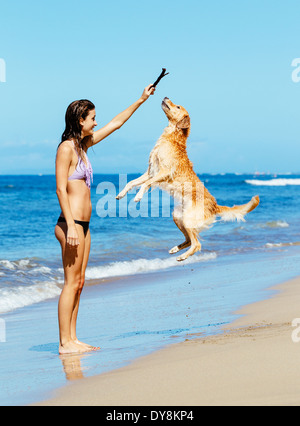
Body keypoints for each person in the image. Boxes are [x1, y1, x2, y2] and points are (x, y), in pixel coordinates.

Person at [55, 84, 155, 354]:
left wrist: (141, 100)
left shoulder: (83, 145)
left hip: (84, 226)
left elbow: (116, 124)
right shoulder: (66, 148)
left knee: (80, 282)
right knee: (70, 283)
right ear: (80, 120)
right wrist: (73, 225)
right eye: (92, 118)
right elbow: (60, 189)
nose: (96, 122)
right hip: (70, 224)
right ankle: (65, 343)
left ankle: (74, 339)